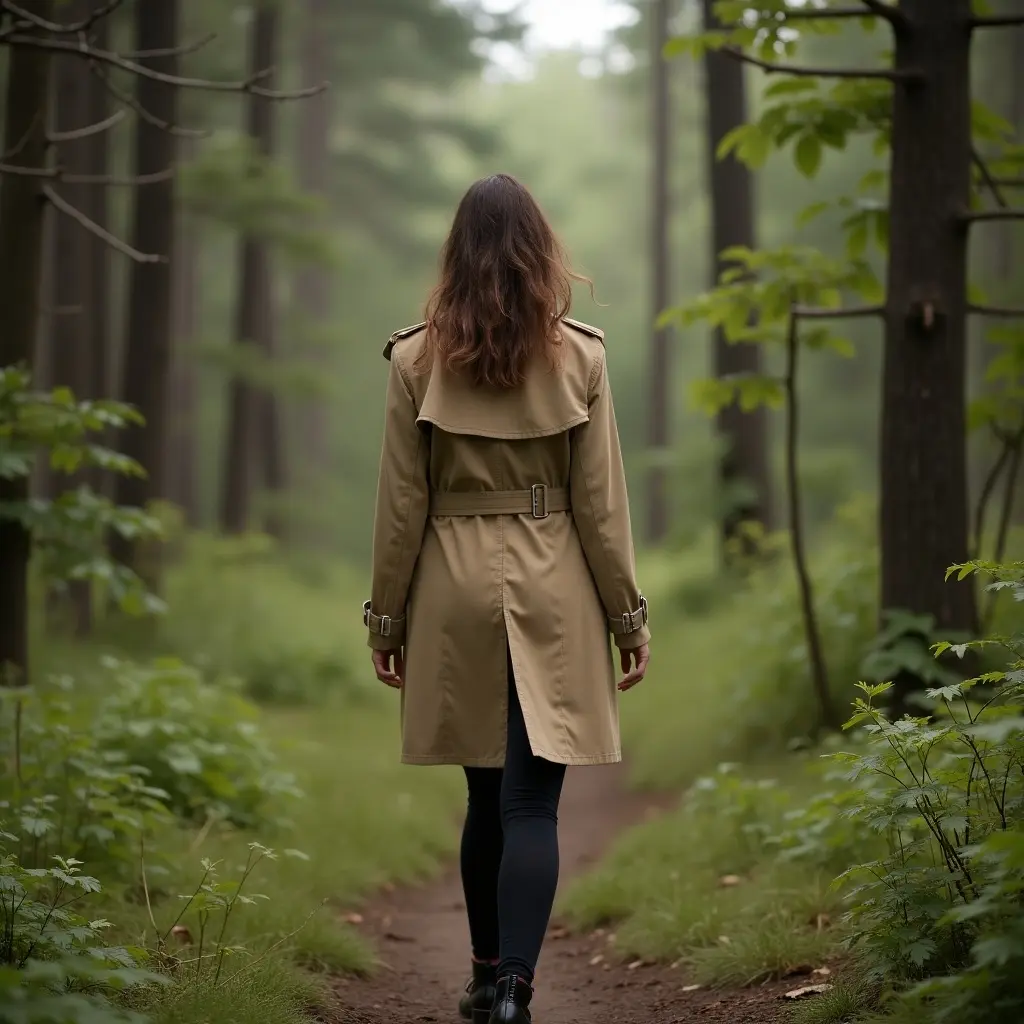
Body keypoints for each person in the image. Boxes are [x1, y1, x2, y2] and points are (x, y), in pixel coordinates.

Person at [364, 173, 650, 1024]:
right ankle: (517, 992)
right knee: (533, 803)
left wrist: (386, 617)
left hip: (450, 586)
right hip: (555, 580)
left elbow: (400, 506)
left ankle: (485, 975)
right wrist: (628, 616)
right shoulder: (583, 357)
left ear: (456, 253)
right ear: (541, 253)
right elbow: (599, 506)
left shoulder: (414, 358)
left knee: (483, 796)